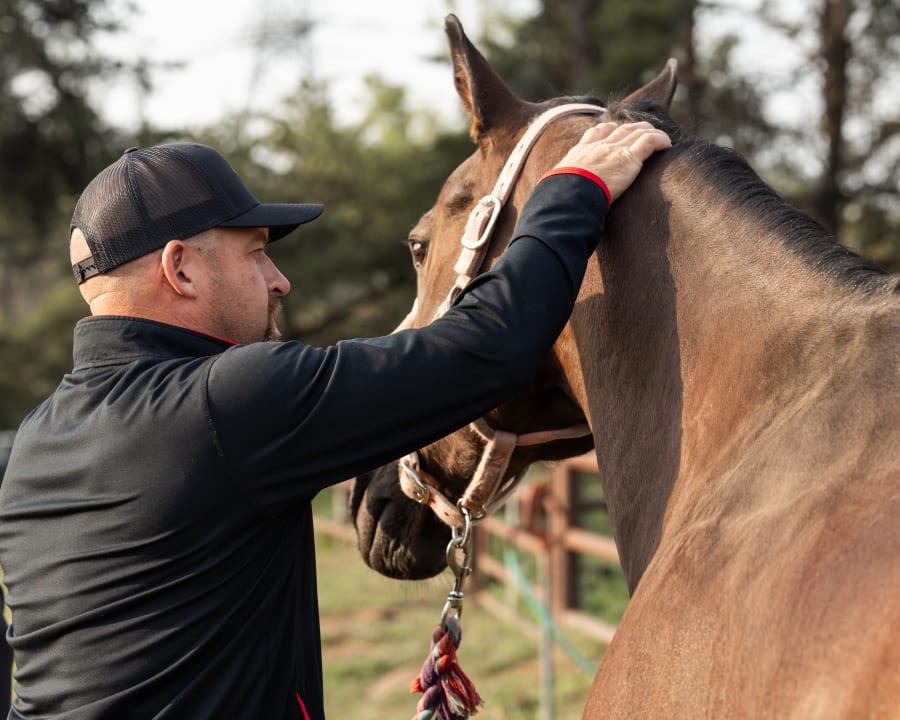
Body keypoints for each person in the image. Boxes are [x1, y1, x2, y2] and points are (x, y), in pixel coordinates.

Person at [0, 121, 670, 719]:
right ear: (180, 268)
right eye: (256, 250)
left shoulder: (34, 441)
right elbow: (486, 349)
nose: (278, 278)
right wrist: (573, 187)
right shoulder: (225, 403)